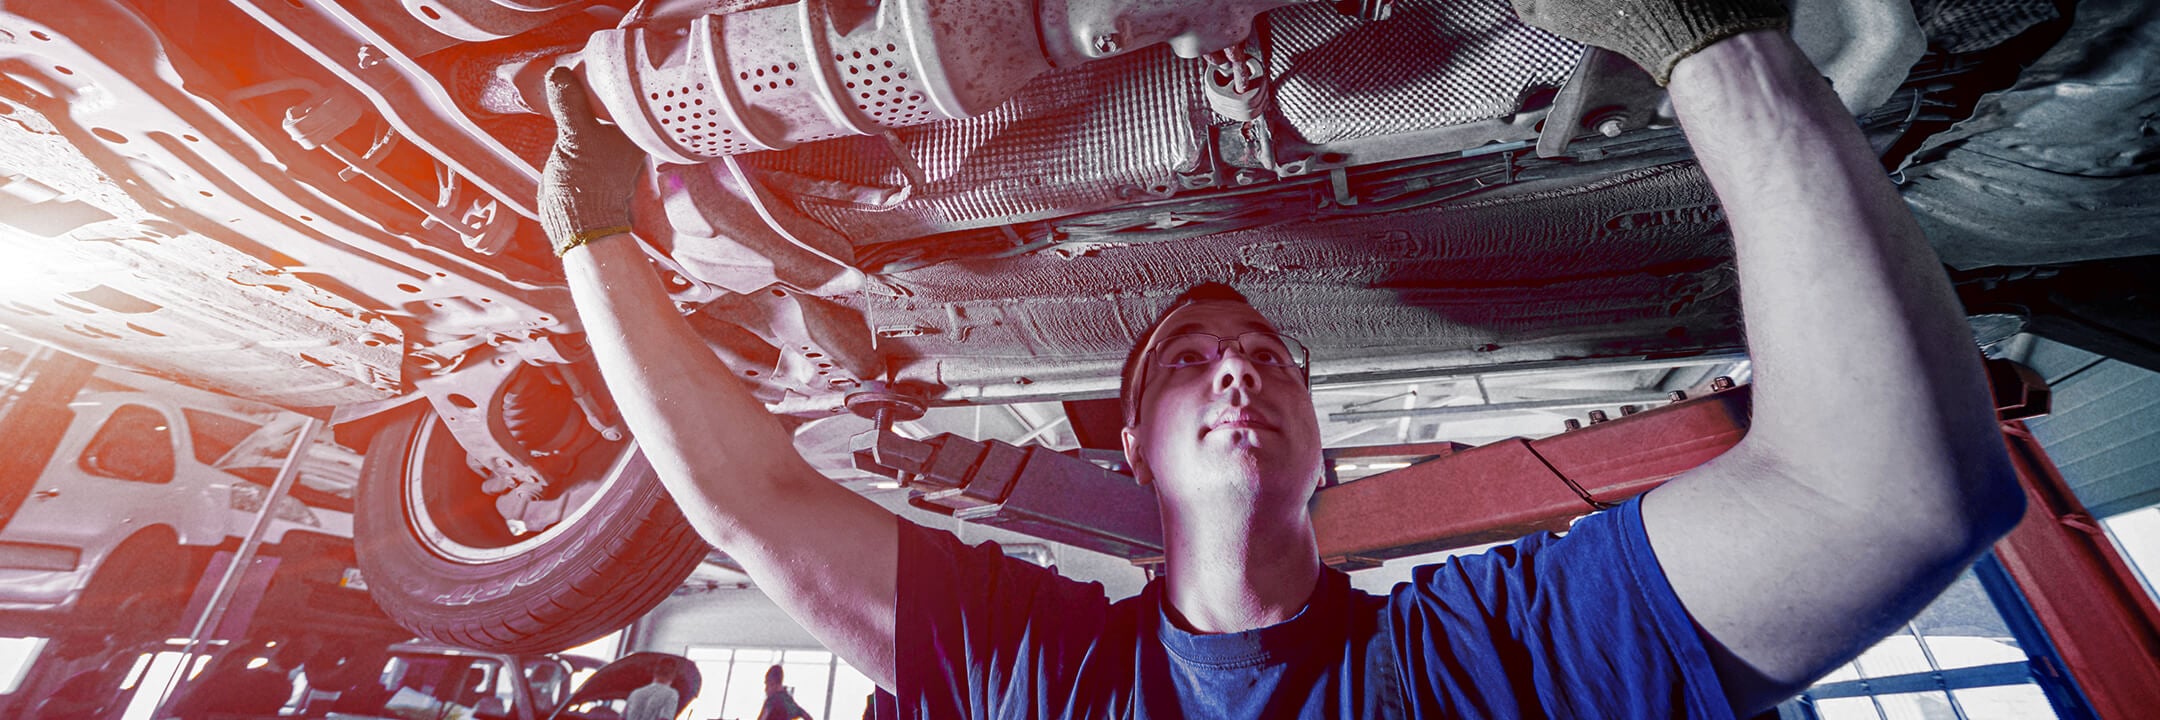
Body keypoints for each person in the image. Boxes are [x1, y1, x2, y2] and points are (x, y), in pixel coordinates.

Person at [536, 0, 2026, 715]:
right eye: (1191, 354)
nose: (1240, 367)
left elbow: (1884, 498)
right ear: (1131, 445)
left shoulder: (1050, 684)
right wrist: (593, 227)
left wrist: (1698, 35)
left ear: (1326, 448)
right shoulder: (1467, 680)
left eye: (1265, 357)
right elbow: (752, 495)